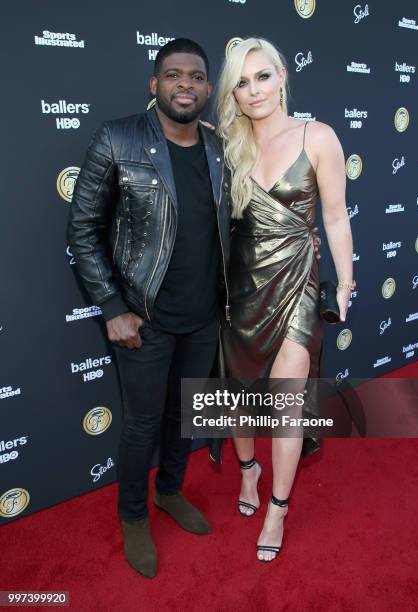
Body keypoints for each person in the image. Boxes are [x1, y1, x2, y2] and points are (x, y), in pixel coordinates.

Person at [67, 38, 232, 579]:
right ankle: (133, 515)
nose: (185, 84)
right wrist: (112, 306)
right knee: (141, 426)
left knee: (184, 418)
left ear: (208, 89)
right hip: (144, 318)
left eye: (196, 76)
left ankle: (169, 493)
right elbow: (83, 228)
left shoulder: (220, 149)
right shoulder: (117, 138)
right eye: (173, 74)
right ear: (154, 84)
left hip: (204, 317)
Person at [215, 38, 354, 562]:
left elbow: (336, 217)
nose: (254, 91)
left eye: (263, 77)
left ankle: (278, 505)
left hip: (297, 282)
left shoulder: (317, 137)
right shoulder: (227, 147)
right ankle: (248, 472)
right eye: (242, 83)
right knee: (240, 396)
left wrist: (344, 281)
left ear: (282, 77)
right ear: (234, 92)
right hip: (241, 287)